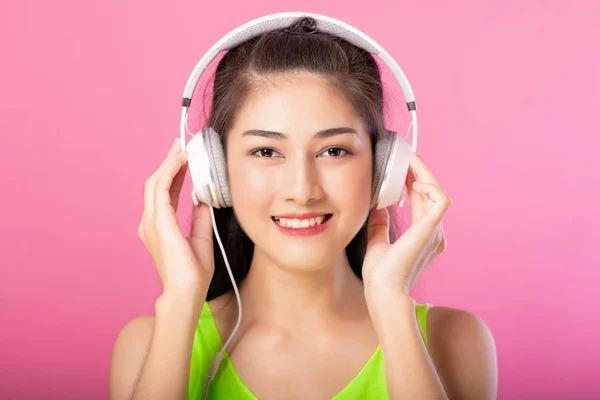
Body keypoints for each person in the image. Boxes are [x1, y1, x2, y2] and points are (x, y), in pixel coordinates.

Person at [109, 16, 498, 400]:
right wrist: (180, 301)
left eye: (334, 151)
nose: (302, 190)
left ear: (384, 170)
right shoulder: (149, 342)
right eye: (266, 151)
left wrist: (393, 307)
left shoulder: (455, 341)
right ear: (214, 170)